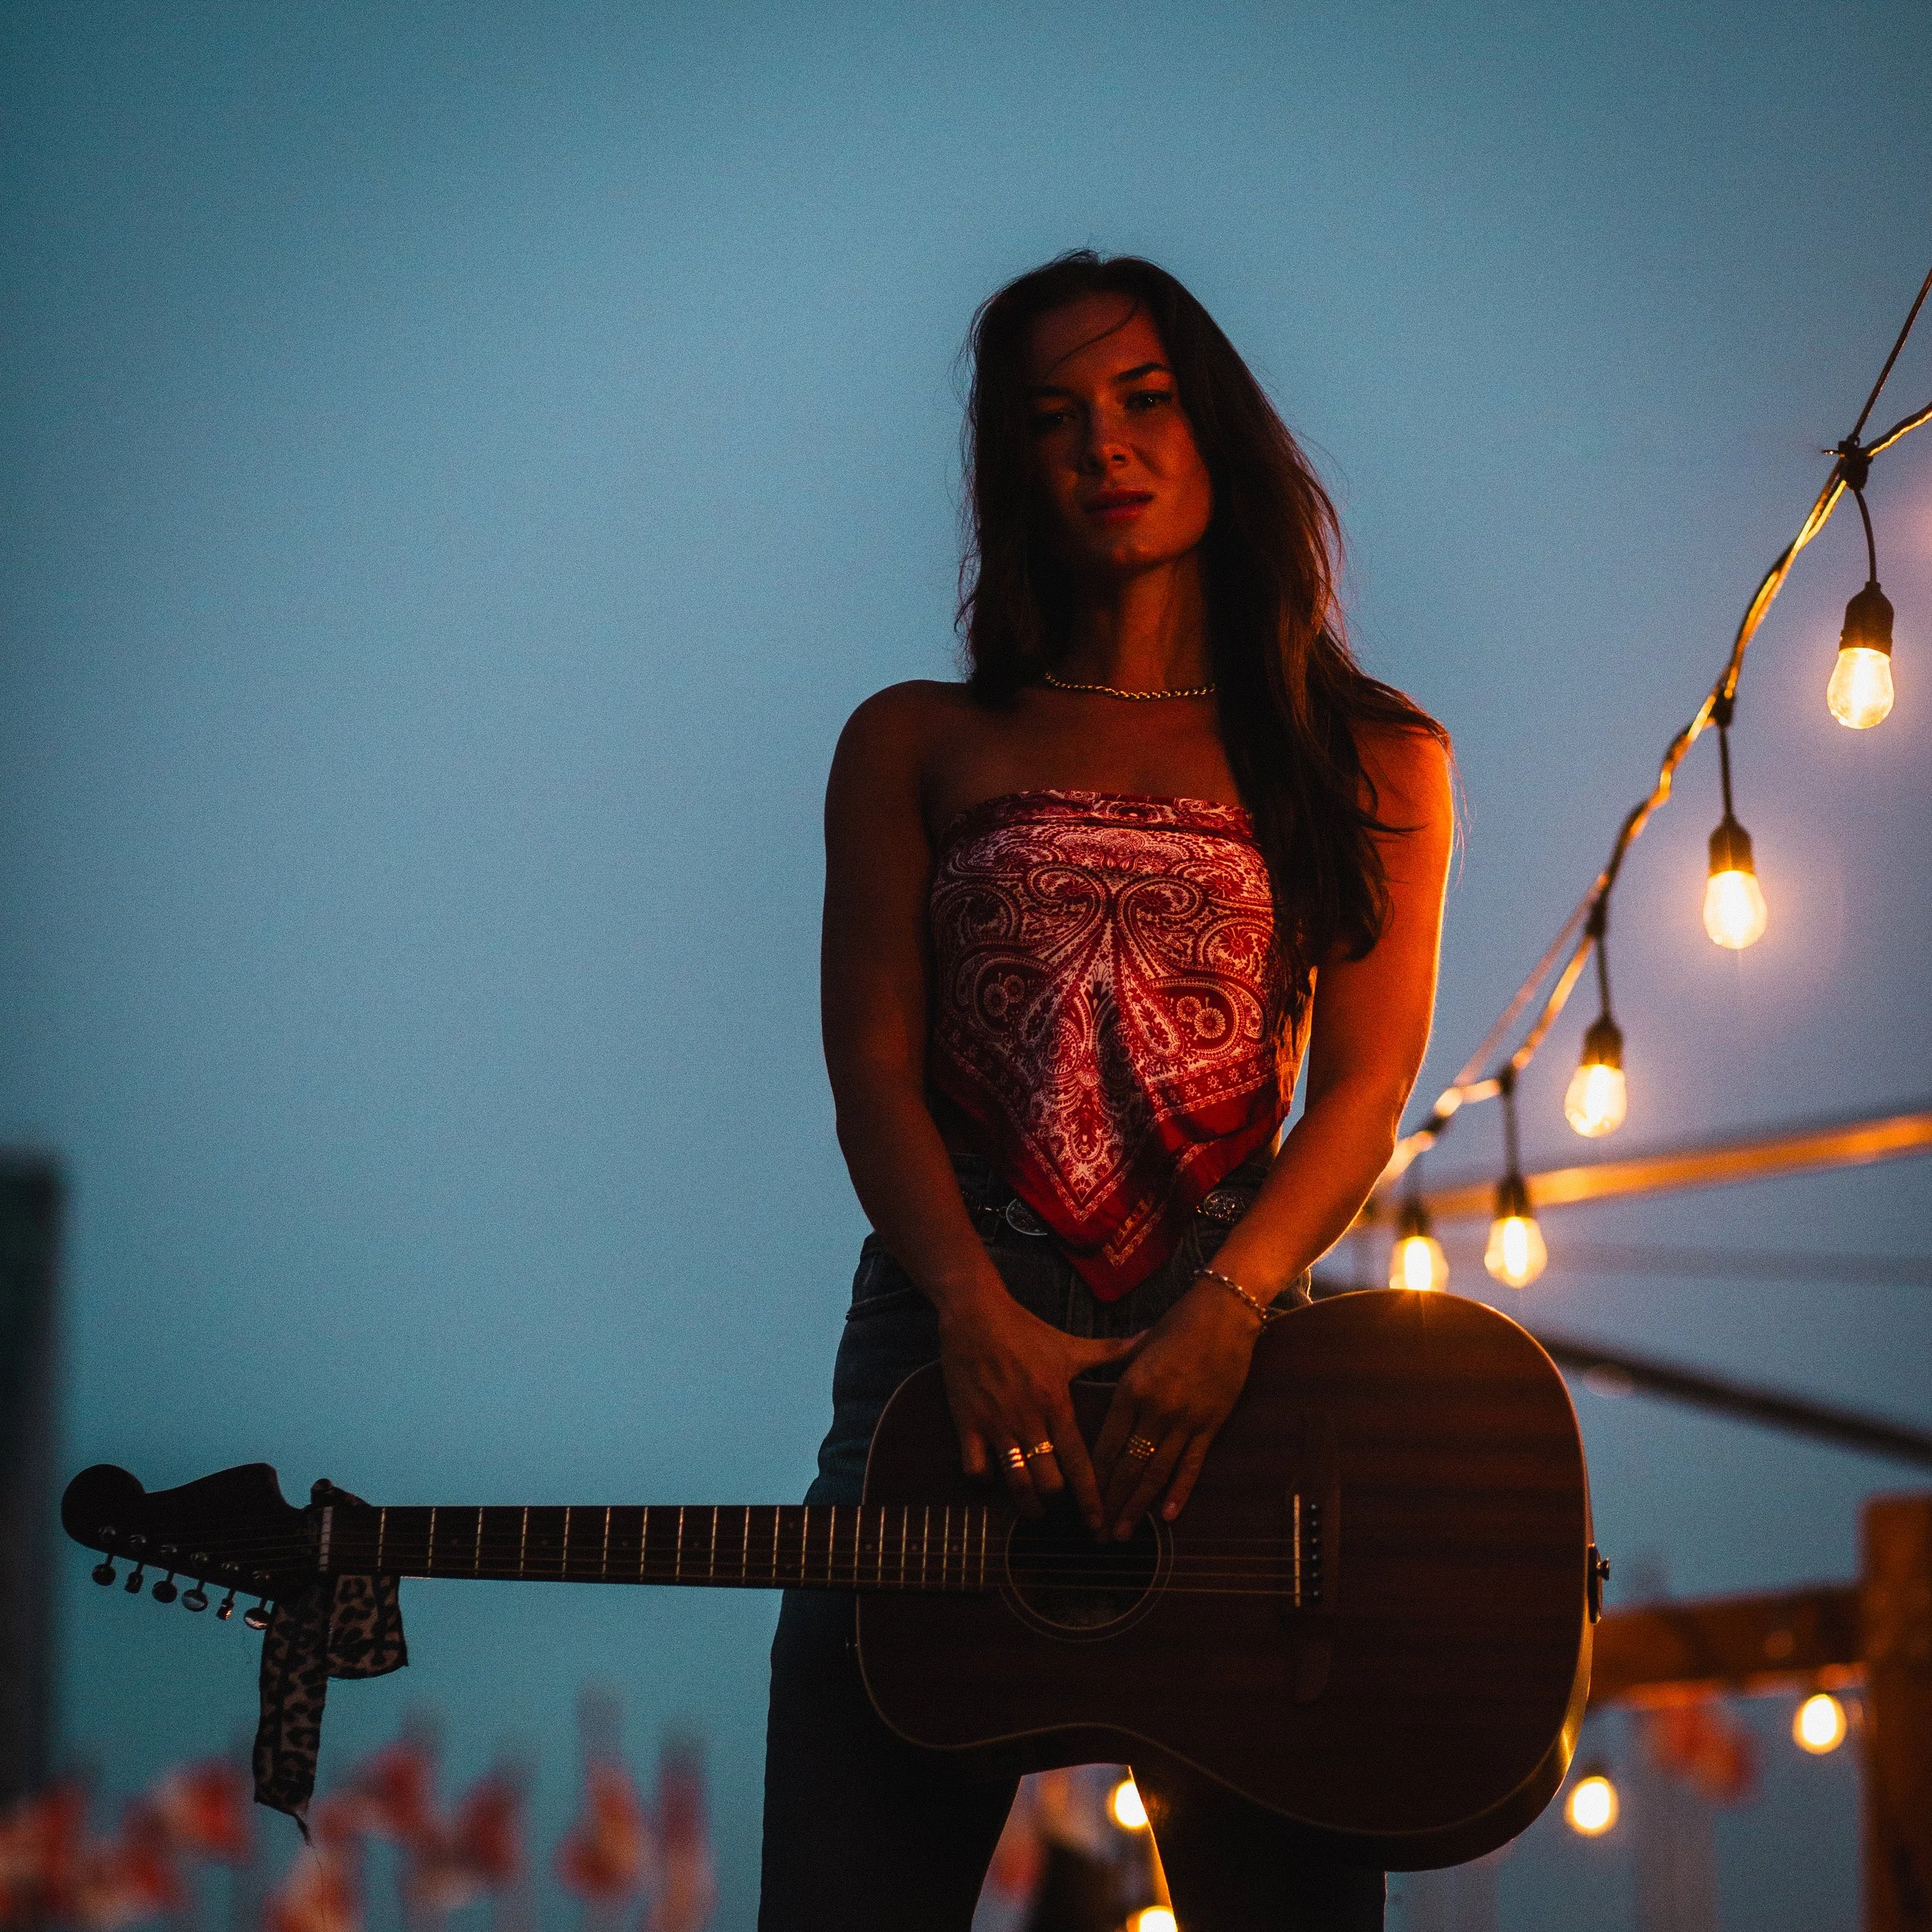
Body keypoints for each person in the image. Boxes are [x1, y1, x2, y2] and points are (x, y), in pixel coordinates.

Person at [759, 250, 1455, 1931]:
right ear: (1011, 465)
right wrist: (970, 1308)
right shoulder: (912, 739)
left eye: (1142, 399)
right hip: (932, 1383)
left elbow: (1363, 1086)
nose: (1104, 446)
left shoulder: (1368, 756)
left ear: (1211, 426)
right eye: (1053, 416)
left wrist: (1222, 1310)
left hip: (1240, 1403)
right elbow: (868, 1068)